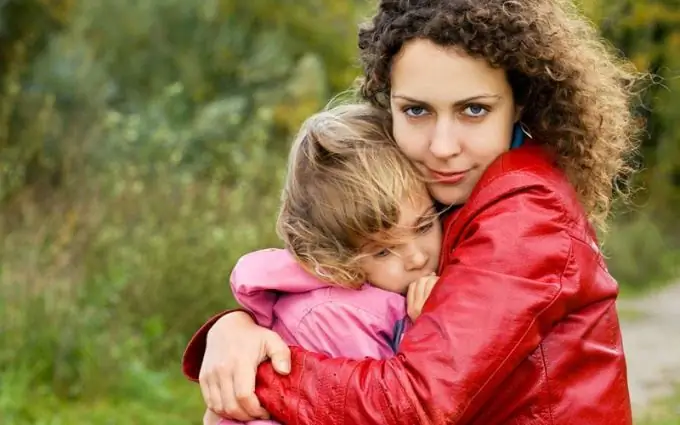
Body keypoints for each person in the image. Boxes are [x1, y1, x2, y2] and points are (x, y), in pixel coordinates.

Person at [183, 0, 642, 423]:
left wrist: (258, 369)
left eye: (475, 110)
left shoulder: (528, 216)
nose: (443, 147)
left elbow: (415, 403)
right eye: (417, 110)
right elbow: (345, 286)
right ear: (389, 106)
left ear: (519, 102)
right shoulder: (448, 193)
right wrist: (236, 326)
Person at [203, 104, 442, 425]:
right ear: (335, 254)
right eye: (383, 252)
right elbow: (379, 407)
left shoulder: (373, 296)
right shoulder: (334, 315)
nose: (416, 257)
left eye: (425, 225)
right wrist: (425, 328)